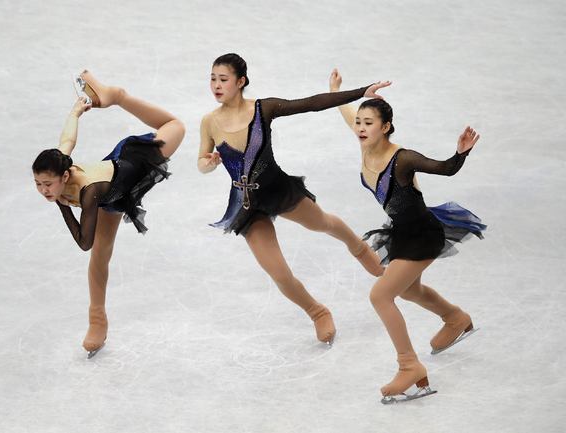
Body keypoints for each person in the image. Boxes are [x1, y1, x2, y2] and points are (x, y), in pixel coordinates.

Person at [198, 53, 387, 345]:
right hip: (247, 204)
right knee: (280, 274)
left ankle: (359, 248)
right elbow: (201, 161)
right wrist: (208, 164)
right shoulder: (209, 121)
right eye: (213, 79)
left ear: (241, 81)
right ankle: (317, 312)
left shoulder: (263, 109)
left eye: (223, 79)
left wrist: (362, 92)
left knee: (322, 223)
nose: (216, 85)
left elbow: (311, 103)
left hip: (277, 189)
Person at [329, 68, 486, 403]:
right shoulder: (365, 143)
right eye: (359, 123)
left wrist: (460, 152)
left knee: (380, 295)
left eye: (368, 123)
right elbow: (348, 114)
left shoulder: (402, 159)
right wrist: (335, 90)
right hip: (401, 232)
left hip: (423, 234)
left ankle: (409, 367)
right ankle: (455, 318)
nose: (360, 128)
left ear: (385, 127)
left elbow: (445, 169)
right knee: (409, 290)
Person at [32, 70, 185, 357]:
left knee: (175, 125)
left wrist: (63, 206)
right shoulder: (60, 164)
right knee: (101, 256)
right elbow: (67, 139)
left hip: (135, 163)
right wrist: (75, 113)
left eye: (48, 184)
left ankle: (118, 96)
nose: (43, 190)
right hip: (113, 184)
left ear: (64, 177)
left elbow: (84, 241)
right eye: (38, 184)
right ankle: (97, 321)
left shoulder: (88, 191)